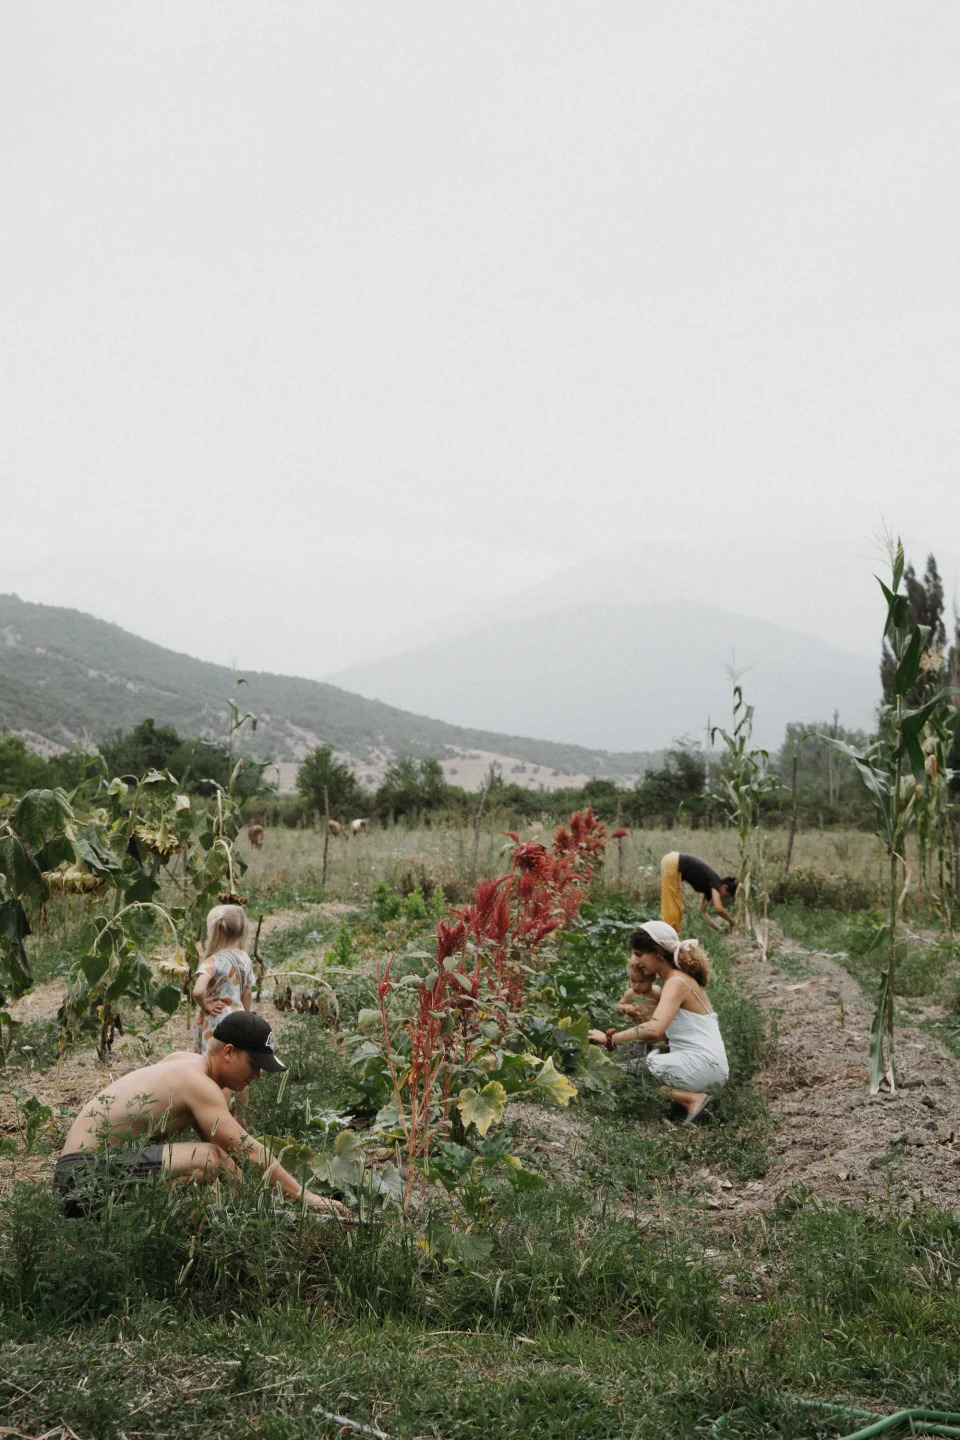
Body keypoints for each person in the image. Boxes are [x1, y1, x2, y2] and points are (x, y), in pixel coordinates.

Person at [53, 1011, 345, 1217]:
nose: (258, 1075)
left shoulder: (186, 1063)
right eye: (254, 1064)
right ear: (228, 1052)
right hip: (81, 1178)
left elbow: (230, 1156)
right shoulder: (198, 1085)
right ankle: (134, 1223)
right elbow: (249, 1151)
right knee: (206, 1159)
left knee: (214, 1157)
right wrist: (307, 1198)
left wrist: (257, 1208)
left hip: (93, 1170)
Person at [589, 921, 729, 1123]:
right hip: (704, 1064)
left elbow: (654, 1031)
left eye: (639, 954)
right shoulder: (674, 980)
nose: (636, 960)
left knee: (622, 1074)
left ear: (657, 953)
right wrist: (642, 1021)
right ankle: (683, 1105)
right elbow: (664, 1036)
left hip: (702, 1064)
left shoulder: (676, 982)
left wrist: (609, 1039)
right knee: (632, 1069)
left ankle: (693, 1099)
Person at [660, 851, 737, 934]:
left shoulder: (710, 889)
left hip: (672, 861)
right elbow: (718, 909)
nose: (723, 897)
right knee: (673, 905)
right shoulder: (716, 882)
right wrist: (732, 922)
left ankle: (669, 933)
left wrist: (718, 929)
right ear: (724, 887)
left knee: (676, 905)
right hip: (673, 862)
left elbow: (702, 912)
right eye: (726, 895)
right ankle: (669, 933)